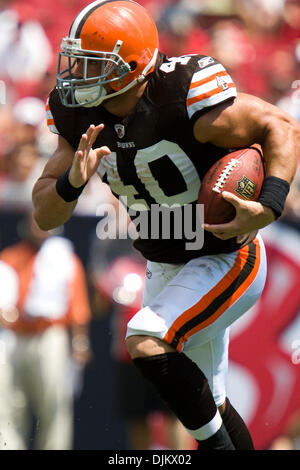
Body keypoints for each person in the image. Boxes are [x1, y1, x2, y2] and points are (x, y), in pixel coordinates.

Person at [32, 0, 300, 450]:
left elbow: (281, 126)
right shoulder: (78, 115)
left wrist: (270, 204)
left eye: (93, 64)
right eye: (76, 61)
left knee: (146, 339)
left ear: (133, 67)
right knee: (209, 405)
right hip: (164, 263)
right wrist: (71, 182)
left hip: (224, 255)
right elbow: (44, 212)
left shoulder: (179, 92)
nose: (76, 74)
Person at [0, 213, 92, 450]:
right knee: (7, 406)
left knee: (54, 407)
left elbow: (78, 307)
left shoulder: (65, 259)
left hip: (50, 337)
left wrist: (80, 343)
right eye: (34, 223)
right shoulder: (9, 257)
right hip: (12, 339)